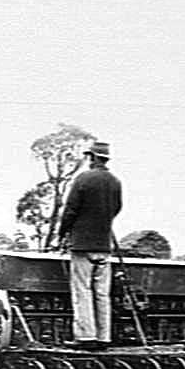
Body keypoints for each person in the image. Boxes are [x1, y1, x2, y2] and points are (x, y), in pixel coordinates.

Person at [58, 141, 122, 351]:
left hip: (82, 245)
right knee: (102, 294)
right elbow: (117, 208)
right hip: (104, 246)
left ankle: (86, 338)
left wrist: (63, 232)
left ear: (92, 158)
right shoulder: (115, 182)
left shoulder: (83, 179)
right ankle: (104, 337)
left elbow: (70, 210)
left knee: (82, 291)